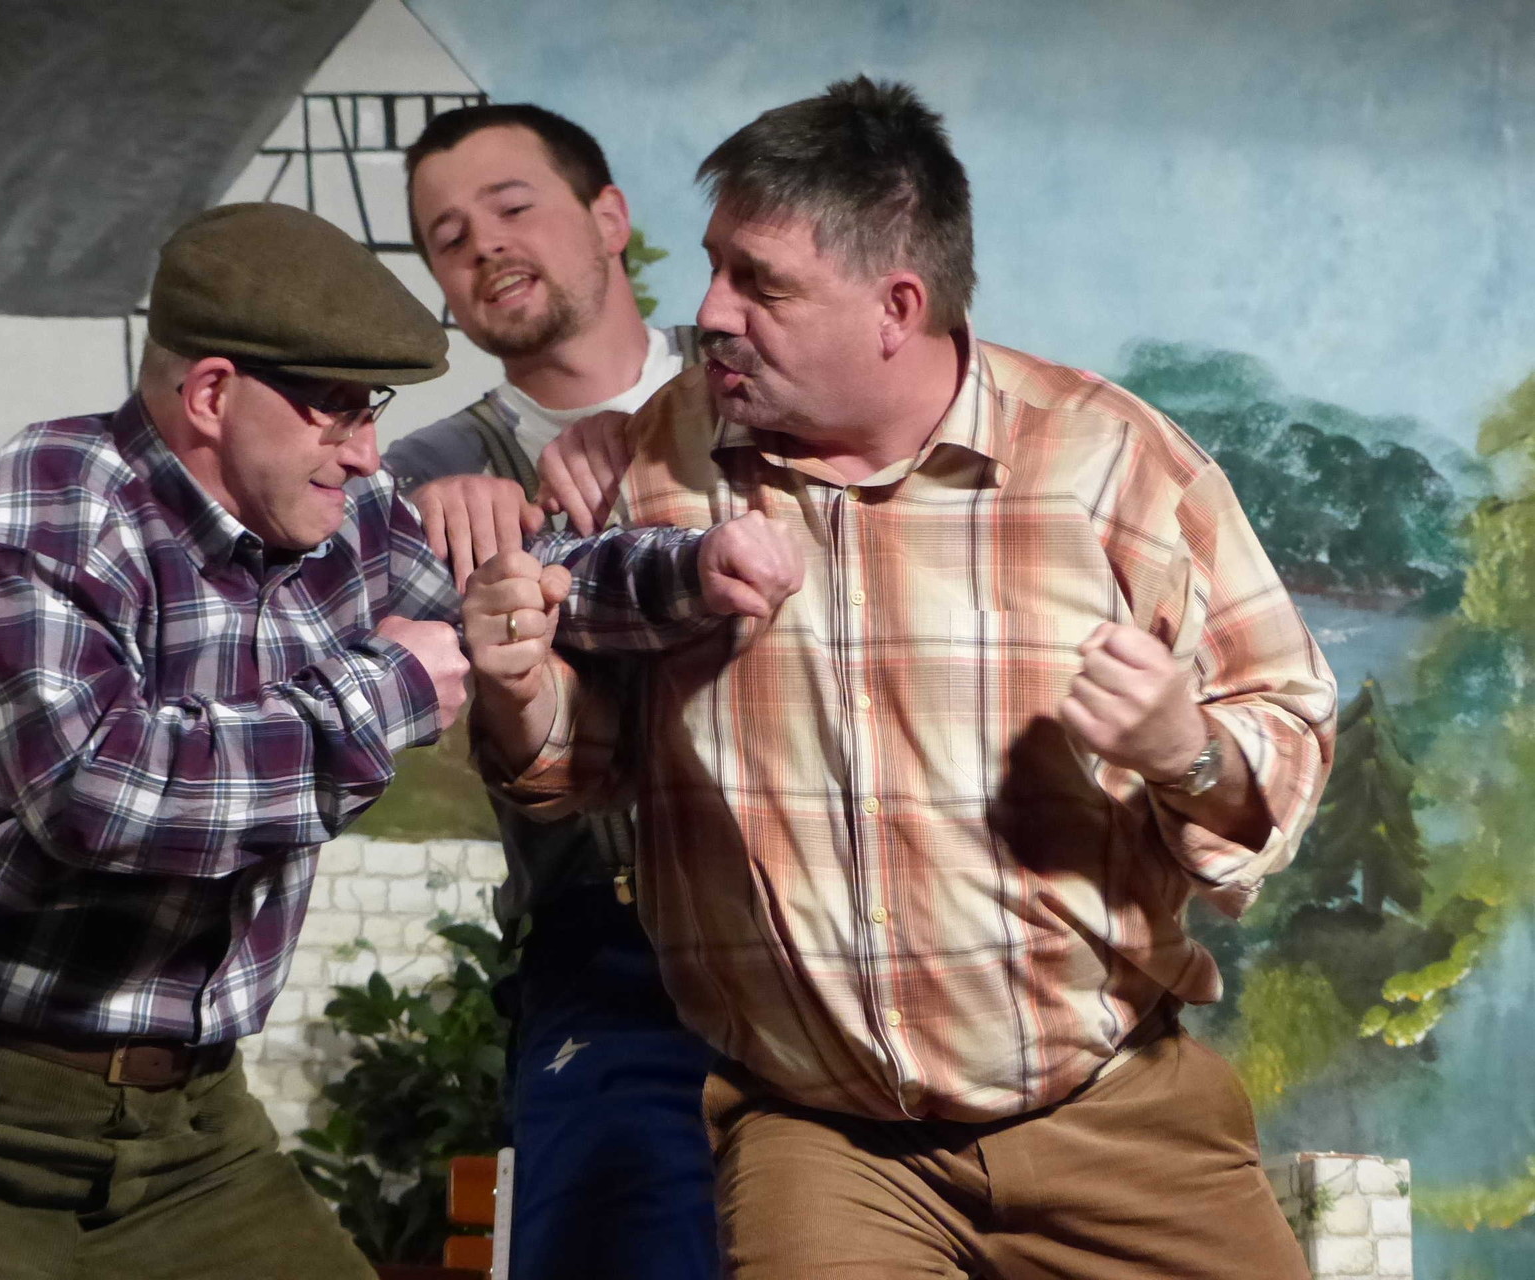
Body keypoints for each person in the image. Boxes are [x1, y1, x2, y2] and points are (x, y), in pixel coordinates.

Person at [463, 78, 1338, 1280]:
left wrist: (1180, 746)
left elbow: (1285, 728)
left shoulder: (1108, 462)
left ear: (896, 306)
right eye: (713, 266)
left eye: (760, 283)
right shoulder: (649, 467)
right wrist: (519, 694)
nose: (709, 312)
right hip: (818, 1132)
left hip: (1111, 1107)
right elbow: (587, 757)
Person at [0, 199, 794, 1280]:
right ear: (211, 394)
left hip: (186, 1130)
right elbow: (100, 793)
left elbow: (531, 587)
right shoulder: (57, 495)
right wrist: (388, 690)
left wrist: (692, 567)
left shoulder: (347, 520)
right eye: (335, 411)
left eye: (373, 410)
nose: (368, 453)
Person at [383, 103, 719, 1280]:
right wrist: (422, 529)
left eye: (512, 206)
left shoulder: (748, 372)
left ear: (609, 217)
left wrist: (663, 435)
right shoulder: (423, 475)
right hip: (610, 948)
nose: (482, 243)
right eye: (446, 238)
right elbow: (367, 642)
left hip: (855, 918)